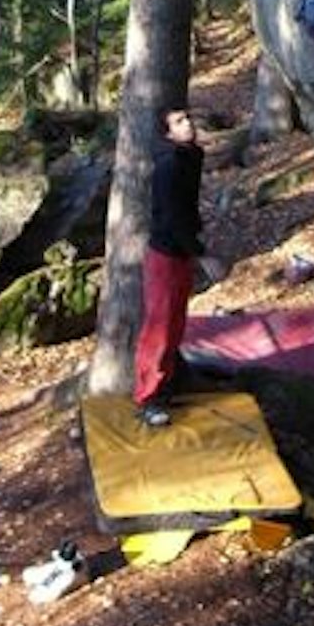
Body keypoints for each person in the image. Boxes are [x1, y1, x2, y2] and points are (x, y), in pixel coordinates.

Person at [133, 107, 206, 427]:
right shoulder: (169, 164)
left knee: (175, 323)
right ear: (167, 133)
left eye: (188, 118)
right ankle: (148, 397)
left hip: (180, 253)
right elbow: (172, 216)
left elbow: (187, 210)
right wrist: (202, 253)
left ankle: (171, 382)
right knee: (159, 329)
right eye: (179, 122)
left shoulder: (190, 156)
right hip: (164, 255)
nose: (188, 124)